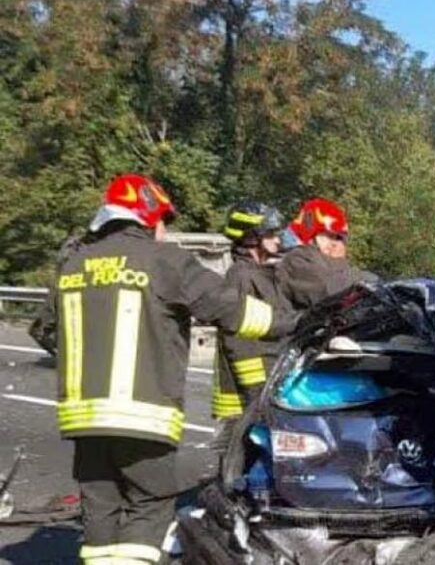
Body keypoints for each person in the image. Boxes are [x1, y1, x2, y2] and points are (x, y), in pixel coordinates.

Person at [49, 174, 295, 565]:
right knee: (147, 510)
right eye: (164, 221)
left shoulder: (73, 263)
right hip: (144, 417)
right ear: (149, 218)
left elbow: (49, 330)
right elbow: (233, 311)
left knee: (100, 520)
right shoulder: (166, 261)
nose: (165, 230)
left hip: (82, 420)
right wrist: (298, 323)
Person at [210, 201, 292, 450]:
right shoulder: (241, 276)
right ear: (251, 238)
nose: (277, 241)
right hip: (244, 398)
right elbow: (237, 338)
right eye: (270, 234)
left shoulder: (261, 274)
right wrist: (256, 390)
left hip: (265, 384)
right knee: (240, 461)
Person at [276, 197, 376, 310]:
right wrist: (369, 280)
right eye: (329, 236)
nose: (335, 244)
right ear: (310, 235)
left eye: (339, 238)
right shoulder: (296, 260)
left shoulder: (326, 263)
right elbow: (328, 289)